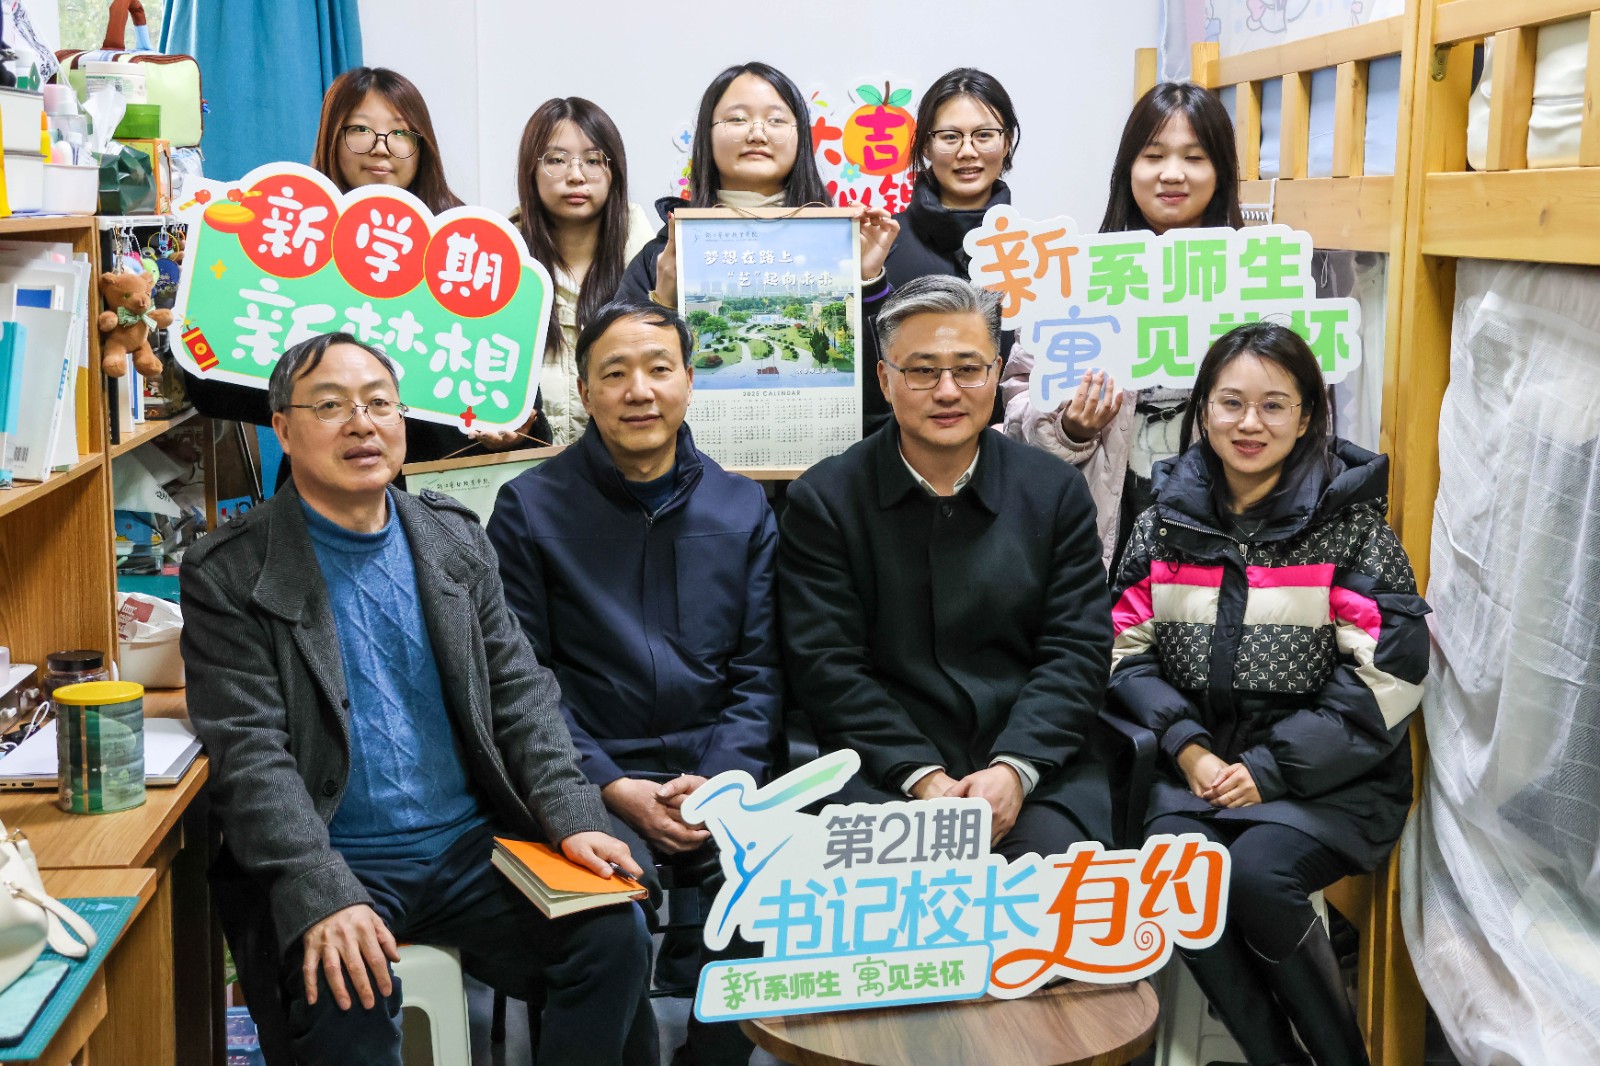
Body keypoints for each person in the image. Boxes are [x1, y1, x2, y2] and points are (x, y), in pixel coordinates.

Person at [180, 331, 656, 1066]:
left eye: (379, 404)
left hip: (470, 850)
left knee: (612, 937)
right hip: (337, 853)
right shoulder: (230, 570)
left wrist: (571, 815)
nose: (362, 425)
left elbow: (522, 694)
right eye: (330, 406)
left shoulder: (452, 539)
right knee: (345, 990)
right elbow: (249, 756)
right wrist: (322, 888)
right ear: (283, 428)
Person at [1107, 321, 1428, 1066]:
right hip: (1197, 772)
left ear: (1307, 416)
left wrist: (1270, 770)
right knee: (1172, 870)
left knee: (1258, 875)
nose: (1249, 423)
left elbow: (1389, 675)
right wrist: (1187, 749)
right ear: (1203, 411)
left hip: (1329, 779)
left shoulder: (1351, 530)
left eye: (1274, 405)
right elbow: (1122, 650)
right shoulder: (1162, 526)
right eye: (1231, 403)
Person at [489, 300, 779, 1065]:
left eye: (658, 369)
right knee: (603, 918)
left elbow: (760, 671)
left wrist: (720, 781)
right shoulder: (529, 507)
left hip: (716, 773)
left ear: (689, 380)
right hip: (589, 776)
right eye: (615, 374)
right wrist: (611, 785)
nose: (639, 391)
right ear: (584, 392)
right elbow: (521, 680)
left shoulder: (742, 504)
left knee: (773, 888)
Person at [779, 275, 1113, 859]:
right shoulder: (826, 499)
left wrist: (1014, 769)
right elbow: (827, 664)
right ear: (885, 380)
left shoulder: (1053, 490)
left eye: (968, 368)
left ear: (997, 372)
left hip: (1034, 768)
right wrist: (922, 777)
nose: (948, 391)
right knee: (885, 897)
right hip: (882, 770)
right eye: (922, 371)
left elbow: (1075, 649)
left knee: (1048, 887)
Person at [183, 68, 520, 483]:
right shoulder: (288, 238)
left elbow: (517, 398)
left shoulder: (467, 246)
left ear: (422, 145)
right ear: (332, 137)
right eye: (360, 129)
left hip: (440, 488)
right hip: (324, 491)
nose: (380, 147)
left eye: (400, 133)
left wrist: (507, 430)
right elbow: (211, 385)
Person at [1002, 82, 1244, 570]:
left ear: (1220, 171)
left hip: (1222, 529)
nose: (1172, 173)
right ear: (1128, 168)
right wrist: (1069, 429)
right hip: (1100, 530)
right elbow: (1017, 401)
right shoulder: (1074, 272)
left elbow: (1296, 407)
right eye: (1153, 156)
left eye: (1194, 157)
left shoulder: (1256, 277)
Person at [615, 61, 897, 309]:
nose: (757, 134)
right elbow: (620, 348)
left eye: (776, 120)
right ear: (706, 136)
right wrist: (664, 301)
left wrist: (867, 280)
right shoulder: (665, 256)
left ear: (801, 137)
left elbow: (888, 352)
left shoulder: (843, 245)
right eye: (737, 119)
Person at [863, 67, 1022, 435]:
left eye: (984, 135)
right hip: (900, 454)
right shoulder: (883, 245)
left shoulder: (1037, 251)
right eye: (950, 137)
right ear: (926, 146)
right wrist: (867, 281)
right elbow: (865, 379)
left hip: (1007, 455)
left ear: (1007, 142)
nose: (967, 151)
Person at [513, 98, 658, 445]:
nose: (576, 176)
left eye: (593, 161)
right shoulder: (502, 263)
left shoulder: (652, 264)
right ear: (531, 170)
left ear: (614, 171)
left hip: (624, 469)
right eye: (556, 160)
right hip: (526, 472)